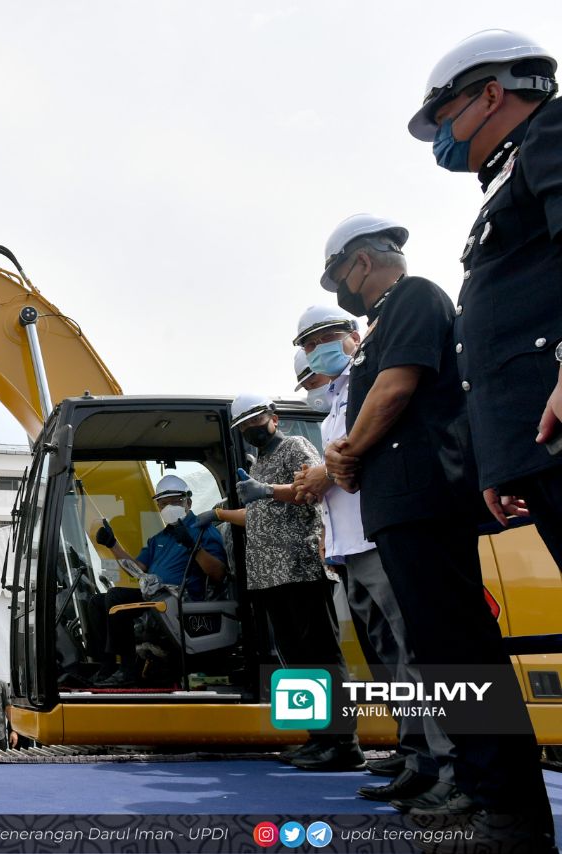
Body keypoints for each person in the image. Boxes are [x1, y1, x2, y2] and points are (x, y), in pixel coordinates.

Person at [320, 214, 553, 843]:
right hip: (399, 508)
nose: (340, 286)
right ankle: (491, 797)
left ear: (361, 262)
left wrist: (347, 450)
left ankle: (503, 802)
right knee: (444, 655)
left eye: (339, 272)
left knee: (462, 654)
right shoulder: (380, 322)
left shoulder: (414, 295)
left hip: (425, 499)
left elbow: (396, 390)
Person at [408, 30, 562, 570]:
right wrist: (499, 462)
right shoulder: (509, 172)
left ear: (492, 95)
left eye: (446, 116)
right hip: (539, 445)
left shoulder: (552, 130)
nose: (441, 138)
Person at [290, 303, 452, 800]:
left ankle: (449, 769)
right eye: (310, 345)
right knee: (392, 661)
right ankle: (417, 755)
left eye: (327, 338)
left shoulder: (371, 386)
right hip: (350, 546)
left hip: (380, 537)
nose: (320, 352)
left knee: (417, 656)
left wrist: (324, 473)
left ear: (354, 336)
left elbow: (354, 459)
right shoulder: (338, 401)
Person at [230, 392, 363, 772]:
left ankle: (342, 742)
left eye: (255, 421)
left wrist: (267, 491)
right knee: (295, 660)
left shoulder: (294, 446)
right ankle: (317, 738)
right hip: (270, 577)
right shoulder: (259, 464)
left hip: (299, 569)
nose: (251, 430)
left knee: (319, 655)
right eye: (244, 427)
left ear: (272, 416)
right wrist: (228, 512)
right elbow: (263, 514)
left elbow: (312, 490)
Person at [86, 475, 228, 687]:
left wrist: (193, 546)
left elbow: (218, 574)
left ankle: (127, 670)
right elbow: (137, 570)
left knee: (117, 598)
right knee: (97, 601)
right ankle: (106, 665)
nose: (168, 508)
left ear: (188, 502)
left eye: (174, 502)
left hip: (179, 598)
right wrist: (113, 544)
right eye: (163, 504)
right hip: (155, 595)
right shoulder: (159, 538)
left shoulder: (204, 530)